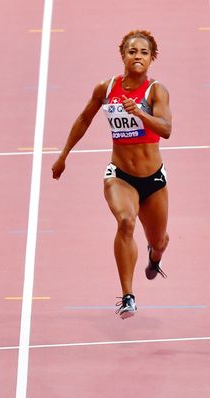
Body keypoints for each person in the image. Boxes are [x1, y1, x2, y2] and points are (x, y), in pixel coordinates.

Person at [52, 30, 172, 319]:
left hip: (153, 180)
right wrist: (63, 155)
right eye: (132, 51)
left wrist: (140, 113)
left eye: (144, 52)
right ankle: (128, 296)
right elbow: (84, 119)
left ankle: (154, 257)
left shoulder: (156, 91)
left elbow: (166, 129)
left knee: (159, 241)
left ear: (151, 58)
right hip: (120, 176)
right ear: (123, 55)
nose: (138, 57)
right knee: (126, 222)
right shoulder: (106, 89)